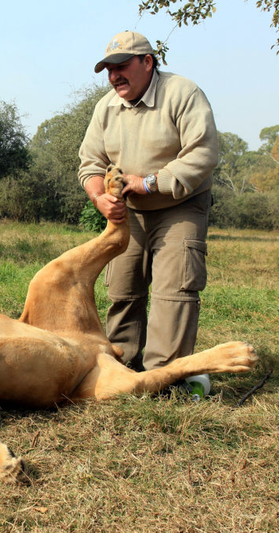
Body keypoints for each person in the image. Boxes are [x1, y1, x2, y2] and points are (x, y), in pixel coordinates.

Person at [77, 30, 219, 372]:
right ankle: (122, 366)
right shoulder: (105, 108)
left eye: (121, 66)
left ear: (147, 62)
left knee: (174, 292)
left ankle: (165, 374)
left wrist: (150, 182)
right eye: (109, 70)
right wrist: (99, 198)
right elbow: (91, 164)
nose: (114, 76)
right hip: (130, 212)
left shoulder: (182, 93)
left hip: (180, 206)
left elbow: (203, 152)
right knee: (123, 290)